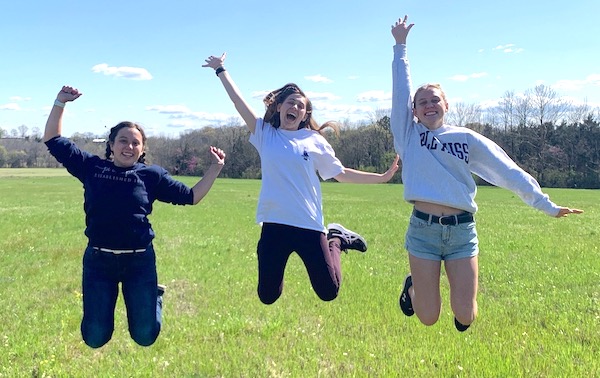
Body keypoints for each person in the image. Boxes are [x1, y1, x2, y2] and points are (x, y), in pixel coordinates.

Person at [390, 16, 583, 332]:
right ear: (413, 111)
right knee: (427, 317)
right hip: (423, 230)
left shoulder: (465, 139)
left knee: (466, 316)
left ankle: (450, 299)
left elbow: (506, 170)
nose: (428, 105)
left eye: (434, 100)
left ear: (446, 105)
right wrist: (400, 47)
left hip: (461, 232)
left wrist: (546, 205)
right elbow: (400, 93)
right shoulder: (408, 136)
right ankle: (413, 287)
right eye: (421, 102)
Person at [203, 53, 399, 304]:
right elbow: (238, 102)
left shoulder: (315, 141)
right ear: (279, 107)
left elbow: (340, 173)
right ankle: (278, 255)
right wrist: (221, 69)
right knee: (267, 296)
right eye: (290, 103)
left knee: (329, 291)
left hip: (309, 224)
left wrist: (381, 178)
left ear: (305, 114)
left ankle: (336, 238)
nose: (294, 107)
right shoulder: (265, 134)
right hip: (274, 224)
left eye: (300, 106)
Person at [43, 85, 226, 348]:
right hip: (99, 261)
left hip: (139, 261)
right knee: (95, 338)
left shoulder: (152, 176)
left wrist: (215, 168)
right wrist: (60, 102)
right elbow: (52, 140)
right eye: (123, 141)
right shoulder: (92, 168)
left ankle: (156, 297)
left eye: (135, 143)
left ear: (142, 149)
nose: (129, 146)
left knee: (145, 336)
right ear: (111, 145)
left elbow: (192, 196)